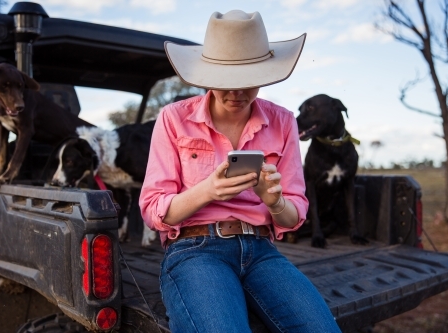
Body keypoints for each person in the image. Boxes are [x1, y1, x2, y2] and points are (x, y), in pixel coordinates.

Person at [139, 9, 342, 333]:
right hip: (196, 251)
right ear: (208, 76)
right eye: (225, 83)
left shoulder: (283, 121)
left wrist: (274, 201)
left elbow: (294, 216)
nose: (236, 93)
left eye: (247, 82)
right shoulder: (173, 118)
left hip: (262, 251)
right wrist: (208, 190)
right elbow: (153, 210)